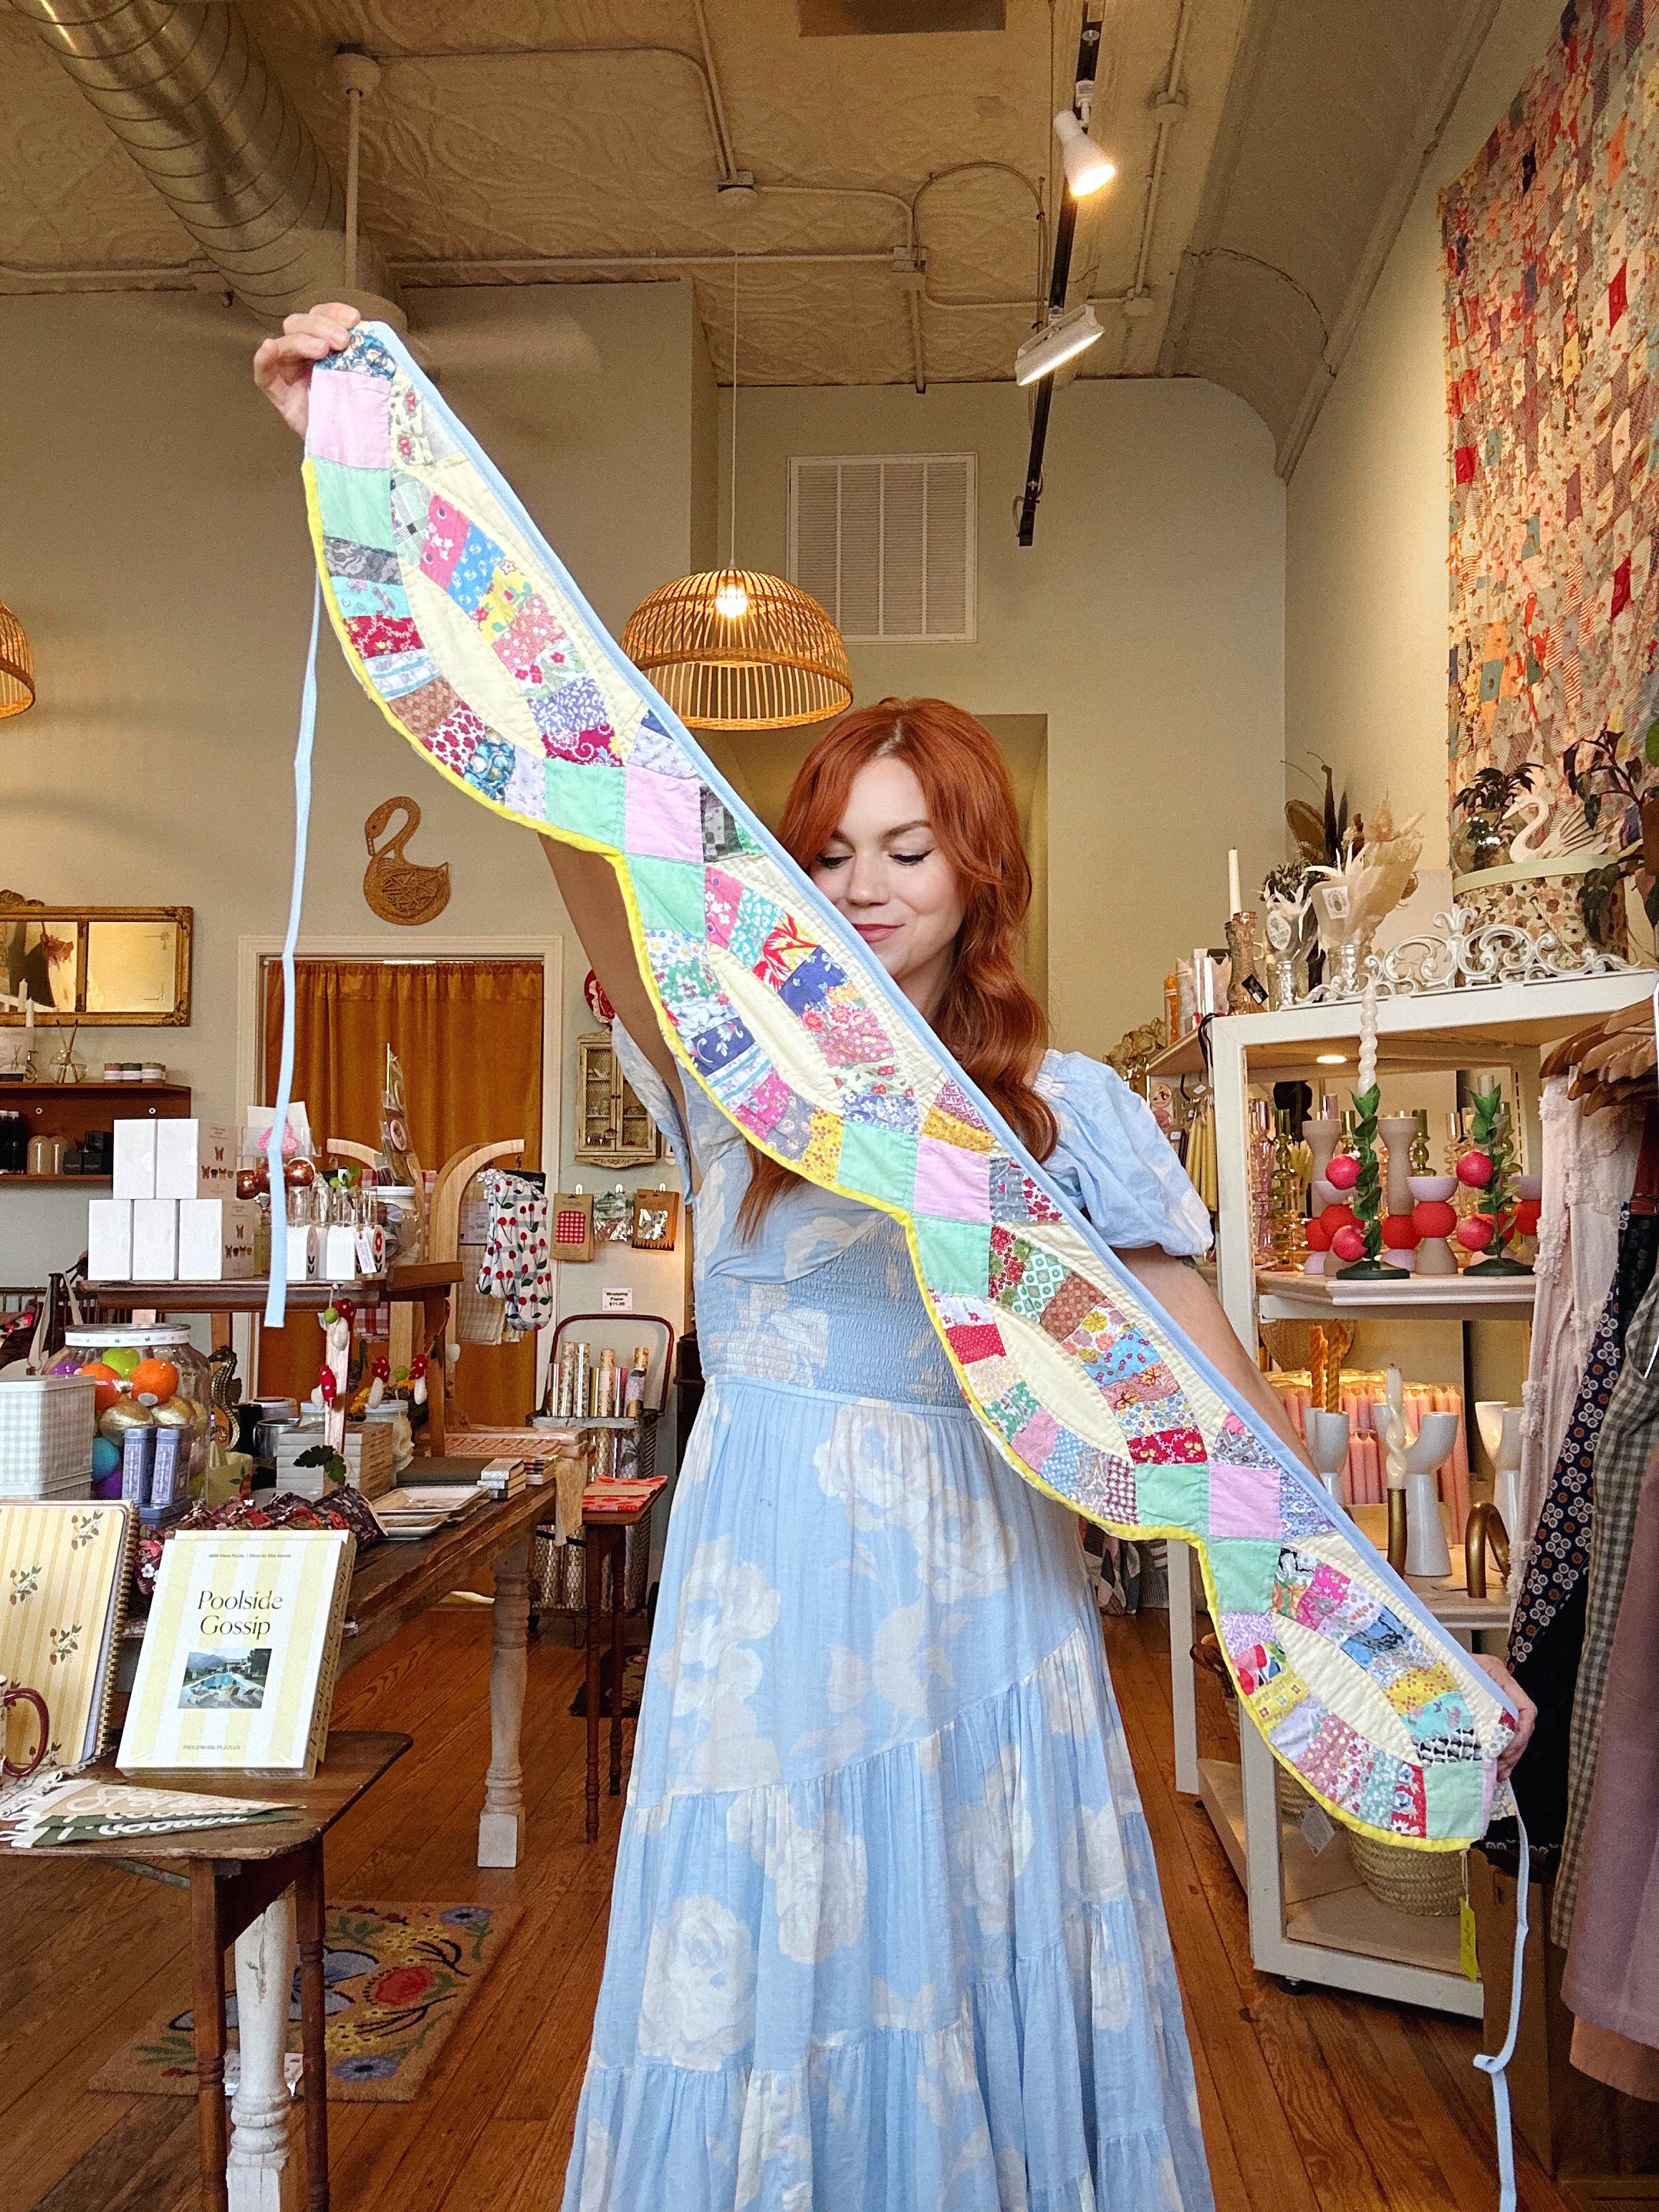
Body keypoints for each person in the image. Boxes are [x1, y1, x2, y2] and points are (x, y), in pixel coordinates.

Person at [255, 307, 1535, 2210]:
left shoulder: (1070, 1112)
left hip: (978, 1579)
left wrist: (1379, 1615)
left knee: (967, 1908)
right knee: (764, 1936)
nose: (859, 885)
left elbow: (1210, 1387)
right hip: (767, 1577)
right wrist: (373, 443)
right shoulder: (734, 1083)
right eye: (830, 848)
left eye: (906, 851)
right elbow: (594, 808)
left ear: (976, 884)